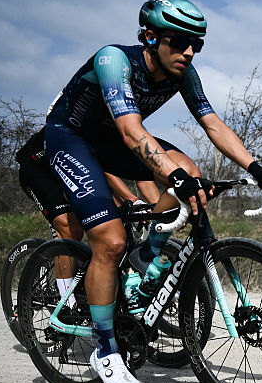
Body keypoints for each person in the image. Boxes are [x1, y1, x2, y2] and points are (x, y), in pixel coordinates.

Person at [44, 0, 262, 383]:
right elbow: (130, 130)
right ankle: (104, 350)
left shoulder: (183, 74)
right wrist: (173, 176)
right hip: (72, 139)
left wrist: (257, 168)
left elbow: (213, 125)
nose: (189, 52)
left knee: (190, 171)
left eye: (197, 45)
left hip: (114, 140)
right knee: (110, 239)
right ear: (151, 36)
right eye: (179, 41)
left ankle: (148, 256)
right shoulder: (114, 61)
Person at [16, 127, 159, 307]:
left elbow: (143, 173)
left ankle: (95, 282)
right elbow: (101, 168)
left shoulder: (130, 126)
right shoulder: (93, 121)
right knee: (70, 229)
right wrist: (133, 200)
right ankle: (67, 303)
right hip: (39, 169)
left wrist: (157, 210)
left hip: (76, 166)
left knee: (115, 221)